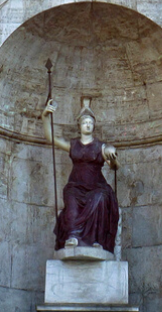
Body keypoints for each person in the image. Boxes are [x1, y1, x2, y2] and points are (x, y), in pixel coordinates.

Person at [43, 99, 119, 252]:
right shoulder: (73, 145)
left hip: (96, 186)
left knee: (101, 198)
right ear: (79, 125)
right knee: (71, 204)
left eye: (90, 122)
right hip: (75, 186)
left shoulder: (101, 146)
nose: (88, 125)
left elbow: (115, 166)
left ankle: (98, 240)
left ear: (94, 125)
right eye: (85, 122)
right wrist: (45, 115)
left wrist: (113, 160)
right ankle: (73, 237)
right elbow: (51, 139)